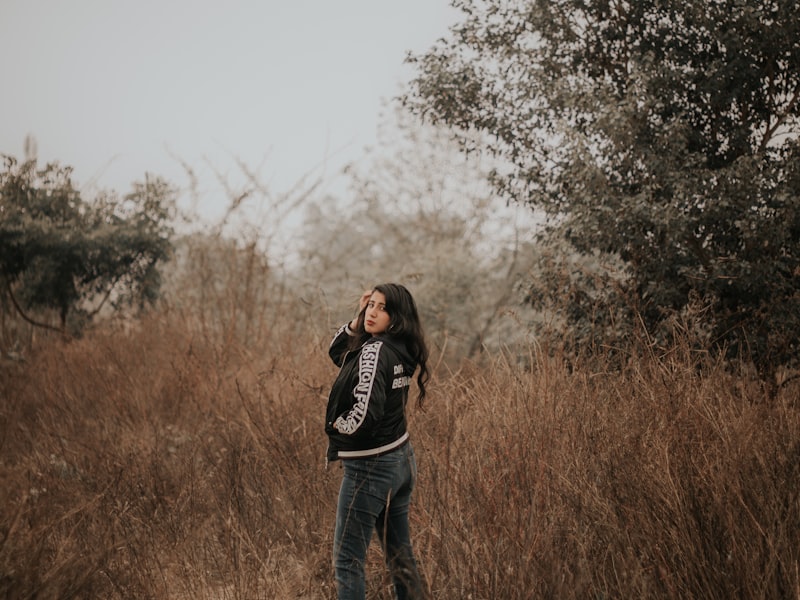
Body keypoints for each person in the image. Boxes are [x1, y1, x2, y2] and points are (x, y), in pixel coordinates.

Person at [325, 283, 430, 600]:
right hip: (401, 459)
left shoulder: (375, 351)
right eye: (371, 305)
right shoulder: (402, 346)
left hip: (371, 468)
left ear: (396, 317)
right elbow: (338, 354)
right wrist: (359, 321)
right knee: (400, 558)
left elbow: (364, 415)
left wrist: (336, 426)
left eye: (383, 308)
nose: (372, 311)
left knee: (347, 560)